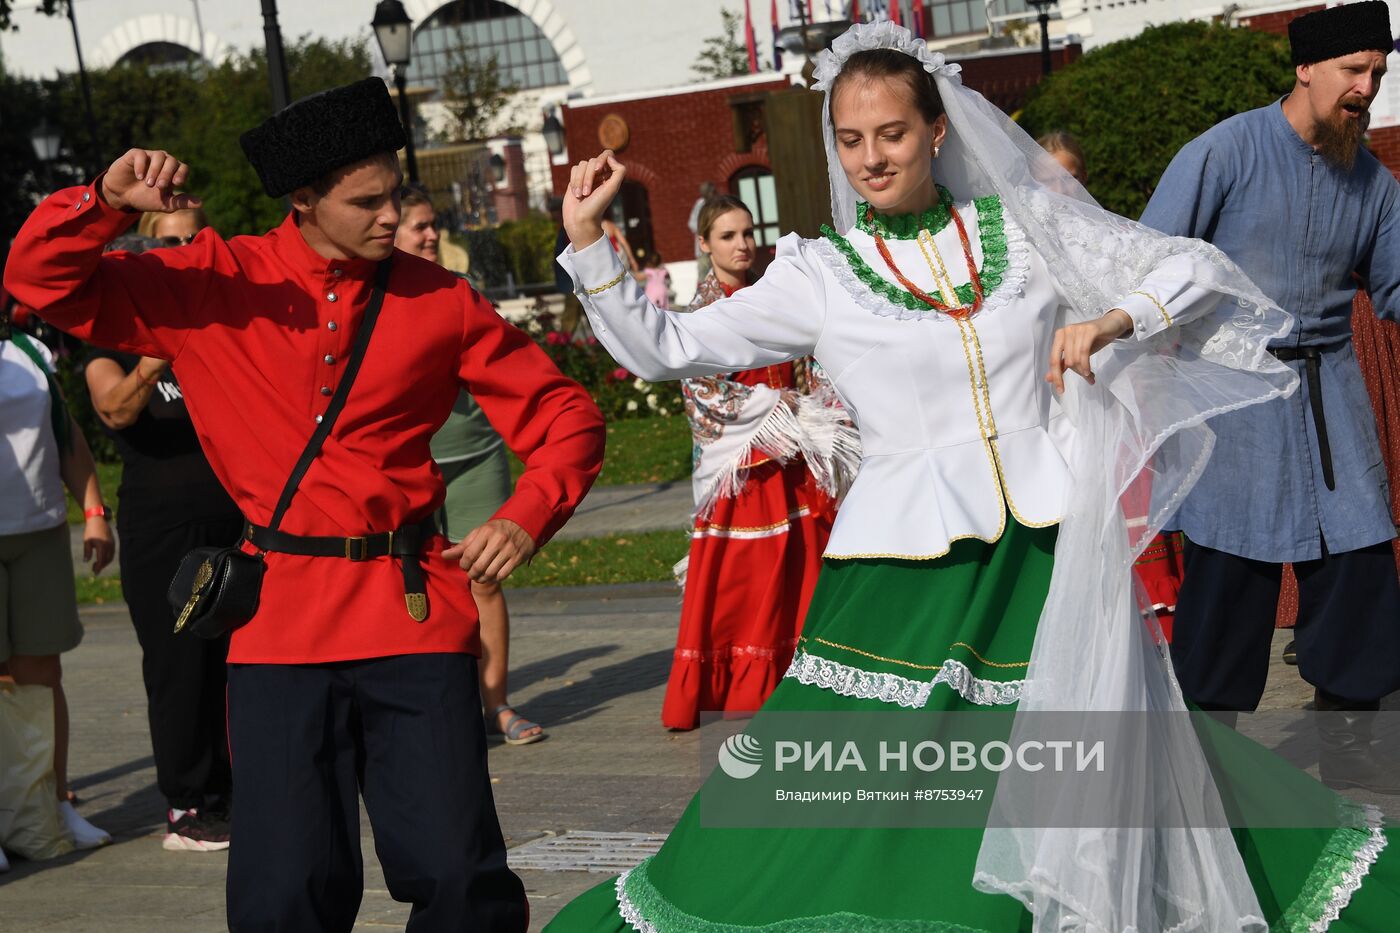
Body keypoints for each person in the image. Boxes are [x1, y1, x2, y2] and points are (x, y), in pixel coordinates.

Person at [546, 21, 1400, 933]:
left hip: (1047, 555)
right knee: (853, 780)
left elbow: (1192, 265)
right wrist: (593, 245)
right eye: (849, 140)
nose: (871, 158)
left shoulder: (1027, 235)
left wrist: (1112, 322)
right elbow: (667, 345)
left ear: (937, 131)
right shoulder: (821, 274)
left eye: (892, 133)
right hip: (904, 571)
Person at [5, 77, 604, 930]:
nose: (391, 217)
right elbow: (39, 278)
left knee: (460, 878)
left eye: (394, 193)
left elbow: (566, 412)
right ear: (302, 198)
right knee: (284, 894)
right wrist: (103, 203)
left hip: (413, 617)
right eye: (366, 202)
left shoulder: (440, 299)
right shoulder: (209, 281)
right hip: (275, 628)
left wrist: (527, 509)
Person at [1141, 1, 1400, 790]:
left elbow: (1394, 286)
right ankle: (1205, 778)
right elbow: (1151, 263)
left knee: (1359, 566)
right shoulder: (1223, 152)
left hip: (1332, 394)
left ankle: (1356, 783)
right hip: (1233, 398)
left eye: (1378, 74)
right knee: (1229, 580)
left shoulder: (1373, 179)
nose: (1367, 88)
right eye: (1354, 71)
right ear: (1306, 67)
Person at [663, 195, 851, 730]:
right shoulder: (699, 312)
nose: (743, 244)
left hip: (793, 464)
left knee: (801, 575)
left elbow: (811, 358)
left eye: (748, 233)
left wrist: (814, 409)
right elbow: (703, 394)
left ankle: (803, 678)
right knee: (752, 586)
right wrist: (781, 412)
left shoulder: (773, 296)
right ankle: (745, 684)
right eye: (728, 236)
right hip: (744, 470)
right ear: (704, 244)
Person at [84, 225, 244, 851]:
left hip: (229, 518)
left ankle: (234, 790)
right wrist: (156, 356)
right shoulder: (108, 344)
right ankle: (186, 805)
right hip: (162, 530)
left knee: (233, 661)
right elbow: (116, 411)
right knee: (179, 667)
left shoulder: (207, 337)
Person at [395, 184, 544, 746]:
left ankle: (497, 705)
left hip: (476, 458)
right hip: (407, 467)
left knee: (482, 581)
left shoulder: (461, 292)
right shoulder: (374, 300)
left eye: (433, 224)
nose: (432, 235)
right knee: (410, 586)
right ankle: (436, 708)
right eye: (420, 227)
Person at [0, 304, 114, 852]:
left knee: (40, 672)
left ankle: (49, 806)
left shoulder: (30, 351)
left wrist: (93, 511)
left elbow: (66, 438)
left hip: (39, 531)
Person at [687, 181, 718, 281]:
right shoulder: (699, 204)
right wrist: (705, 227)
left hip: (718, 246)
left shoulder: (718, 203)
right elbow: (692, 223)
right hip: (703, 248)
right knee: (703, 275)